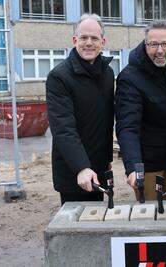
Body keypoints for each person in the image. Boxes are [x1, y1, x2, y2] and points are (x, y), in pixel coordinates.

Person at [46, 14, 114, 205]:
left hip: (99, 167)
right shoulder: (59, 77)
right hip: (73, 171)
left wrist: (106, 158)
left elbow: (106, 120)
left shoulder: (107, 73)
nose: (89, 43)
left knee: (98, 222)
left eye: (94, 38)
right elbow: (63, 128)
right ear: (75, 40)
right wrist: (81, 167)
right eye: (84, 38)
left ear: (103, 41)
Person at [115, 22, 166, 200]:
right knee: (150, 215)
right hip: (147, 165)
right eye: (153, 44)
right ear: (145, 45)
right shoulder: (130, 78)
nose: (160, 50)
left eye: (165, 44)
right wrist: (133, 167)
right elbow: (127, 127)